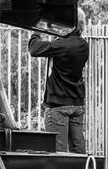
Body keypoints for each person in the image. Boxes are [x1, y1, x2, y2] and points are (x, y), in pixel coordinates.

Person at [27, 10, 89, 154]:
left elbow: (34, 49)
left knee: (57, 153)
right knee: (78, 152)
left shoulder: (63, 45)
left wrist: (36, 31)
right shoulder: (83, 45)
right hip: (77, 104)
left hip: (58, 106)